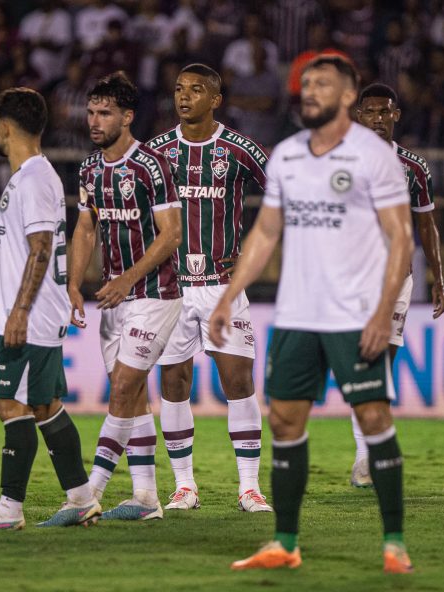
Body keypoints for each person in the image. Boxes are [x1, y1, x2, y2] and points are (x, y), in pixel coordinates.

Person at [213, 56, 415, 573]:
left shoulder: (374, 156)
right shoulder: (287, 156)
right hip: (298, 315)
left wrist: (382, 310)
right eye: (306, 85)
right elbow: (264, 233)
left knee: (373, 417)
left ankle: (394, 543)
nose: (309, 92)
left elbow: (401, 239)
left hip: (354, 316)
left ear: (347, 96)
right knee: (284, 420)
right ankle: (285, 542)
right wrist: (227, 294)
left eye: (322, 85)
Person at [0, 88, 100, 531]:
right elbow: (24, 252)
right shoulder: (30, 176)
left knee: (12, 403)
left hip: (33, 316)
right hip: (30, 312)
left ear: (4, 125)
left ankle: (9, 508)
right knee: (44, 404)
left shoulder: (34, 178)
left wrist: (17, 312)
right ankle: (80, 497)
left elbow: (40, 249)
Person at [146, 63, 272, 513]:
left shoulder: (239, 149)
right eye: (179, 89)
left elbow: (283, 193)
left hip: (223, 284)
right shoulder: (156, 152)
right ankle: (184, 486)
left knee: (238, 381)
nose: (185, 97)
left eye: (196, 90)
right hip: (171, 287)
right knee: (174, 381)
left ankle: (249, 487)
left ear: (215, 99)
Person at [68, 71, 182, 521]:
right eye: (91, 112)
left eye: (105, 113)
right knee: (132, 397)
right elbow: (84, 227)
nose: (95, 121)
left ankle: (87, 494)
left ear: (128, 117)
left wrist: (126, 279)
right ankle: (146, 498)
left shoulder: (150, 165)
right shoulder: (90, 168)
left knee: (122, 387)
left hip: (155, 294)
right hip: (115, 298)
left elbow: (171, 235)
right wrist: (74, 284)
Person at [349, 82, 444, 487]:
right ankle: (365, 454)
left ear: (396, 115)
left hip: (397, 278)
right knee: (360, 365)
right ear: (359, 116)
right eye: (369, 111)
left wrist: (437, 277)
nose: (377, 118)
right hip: (351, 277)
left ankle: (365, 459)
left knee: (381, 364)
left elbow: (427, 223)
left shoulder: (413, 167)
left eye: (383, 111)